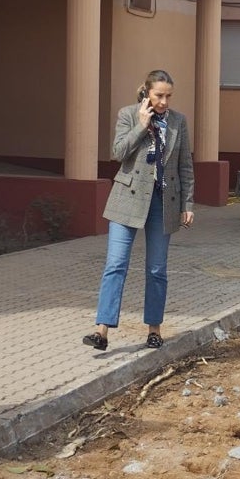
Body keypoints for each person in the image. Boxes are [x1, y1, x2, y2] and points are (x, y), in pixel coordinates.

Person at [84, 70, 195, 352]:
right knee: (115, 265)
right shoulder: (128, 114)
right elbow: (118, 152)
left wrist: (187, 204)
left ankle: (154, 330)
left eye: (168, 96)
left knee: (157, 269)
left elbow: (185, 167)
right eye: (159, 95)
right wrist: (141, 126)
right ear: (147, 93)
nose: (164, 101)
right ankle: (102, 331)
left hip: (163, 202)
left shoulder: (178, 122)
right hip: (127, 199)